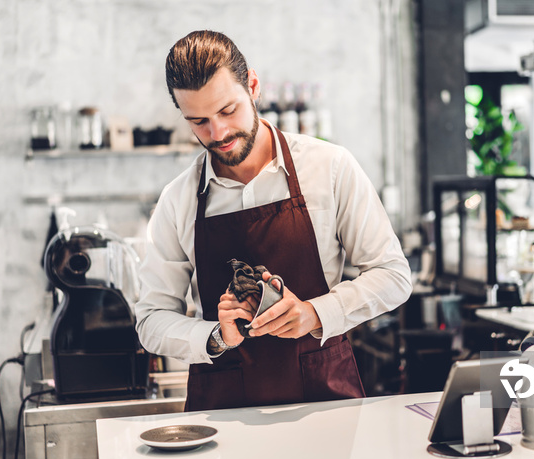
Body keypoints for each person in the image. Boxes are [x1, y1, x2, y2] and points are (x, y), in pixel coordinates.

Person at [135, 30, 412, 411]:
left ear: (252, 85)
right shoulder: (177, 200)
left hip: (324, 404)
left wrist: (315, 313)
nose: (218, 133)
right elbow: (151, 320)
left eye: (228, 111)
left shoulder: (330, 167)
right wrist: (216, 336)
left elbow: (393, 275)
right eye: (198, 121)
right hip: (223, 417)